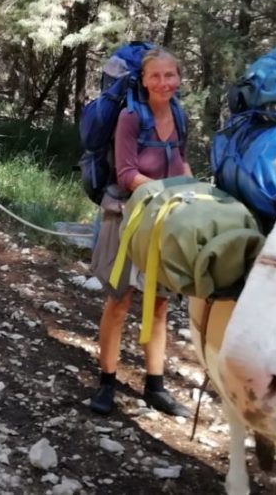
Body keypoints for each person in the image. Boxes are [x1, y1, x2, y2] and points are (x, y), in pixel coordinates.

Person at [88, 47, 192, 417]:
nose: (164, 83)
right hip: (128, 218)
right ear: (143, 81)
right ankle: (106, 382)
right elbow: (127, 174)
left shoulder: (180, 114)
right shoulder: (131, 117)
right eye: (155, 76)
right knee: (120, 302)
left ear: (178, 78)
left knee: (160, 305)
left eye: (170, 75)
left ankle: (155, 385)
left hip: (165, 219)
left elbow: (180, 158)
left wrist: (191, 190)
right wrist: (168, 190)